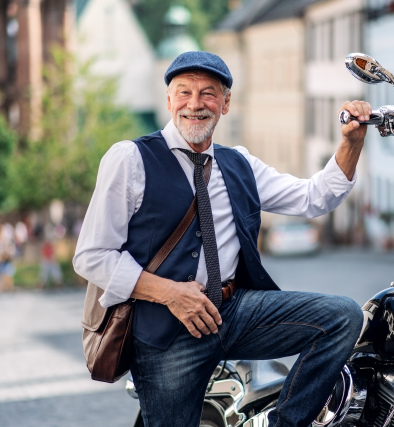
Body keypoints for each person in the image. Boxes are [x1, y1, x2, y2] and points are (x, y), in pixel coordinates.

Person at [73, 51, 372, 427]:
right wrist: (170, 293)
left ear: (225, 103)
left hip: (234, 312)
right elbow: (91, 256)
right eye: (184, 92)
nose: (195, 104)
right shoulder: (130, 159)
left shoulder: (238, 163)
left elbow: (316, 197)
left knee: (343, 317)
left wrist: (351, 143)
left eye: (208, 93)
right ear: (168, 100)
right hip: (166, 330)